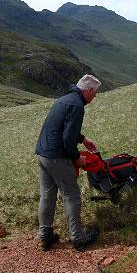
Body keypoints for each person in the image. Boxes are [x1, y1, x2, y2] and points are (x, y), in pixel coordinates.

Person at [35, 74, 101, 252]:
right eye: (95, 93)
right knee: (71, 194)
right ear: (88, 90)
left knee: (47, 195)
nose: (95, 97)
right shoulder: (77, 106)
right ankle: (78, 237)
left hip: (42, 154)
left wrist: (82, 138)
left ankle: (45, 235)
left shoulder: (65, 99)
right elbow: (66, 138)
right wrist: (77, 158)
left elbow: (60, 127)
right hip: (57, 156)